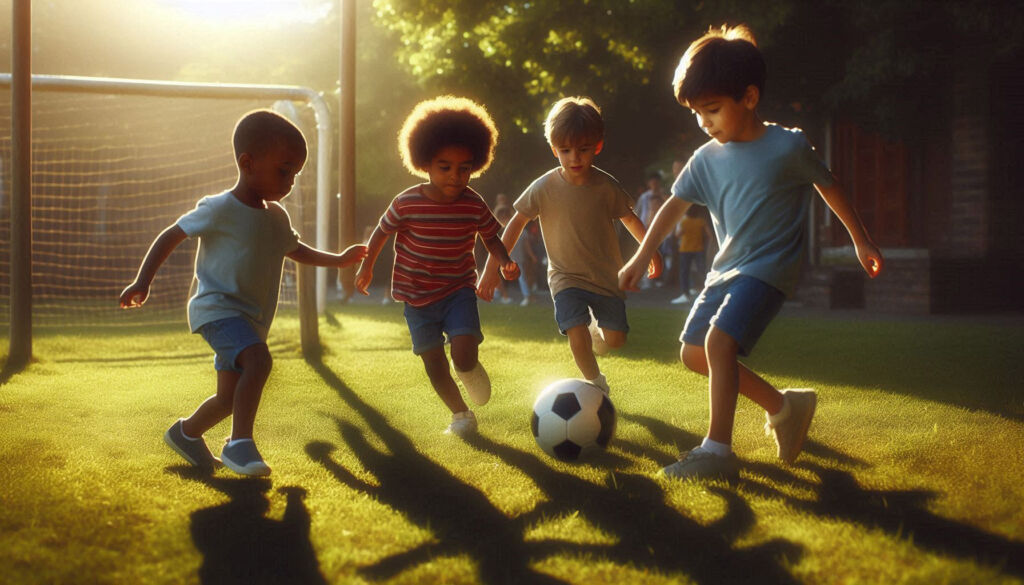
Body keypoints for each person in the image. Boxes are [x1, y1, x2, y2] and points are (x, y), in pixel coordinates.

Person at [619, 25, 883, 480]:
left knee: (719, 343)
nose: (704, 122)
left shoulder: (787, 146)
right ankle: (786, 407)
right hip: (726, 271)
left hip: (768, 271)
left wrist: (860, 239)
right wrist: (641, 255)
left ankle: (717, 450)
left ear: (749, 98)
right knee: (693, 353)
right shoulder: (705, 159)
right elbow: (672, 209)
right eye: (697, 113)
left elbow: (829, 187)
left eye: (713, 109)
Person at [119, 109, 368, 476]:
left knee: (227, 398)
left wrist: (339, 261)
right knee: (259, 361)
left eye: (295, 174)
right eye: (284, 170)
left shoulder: (276, 217)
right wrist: (143, 281)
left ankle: (186, 433)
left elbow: (296, 250)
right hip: (216, 310)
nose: (290, 181)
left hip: (250, 320)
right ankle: (239, 444)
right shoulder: (219, 208)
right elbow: (172, 233)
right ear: (247, 163)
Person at [355, 96, 519, 437]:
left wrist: (503, 260)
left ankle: (468, 366)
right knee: (433, 361)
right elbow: (381, 232)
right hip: (416, 298)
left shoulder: (474, 203)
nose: (456, 176)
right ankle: (460, 414)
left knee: (462, 353)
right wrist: (368, 266)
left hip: (458, 289)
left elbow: (491, 237)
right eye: (445, 167)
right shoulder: (406, 202)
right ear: (425, 163)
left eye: (464, 168)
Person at [479, 96, 662, 395]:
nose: (574, 157)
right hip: (565, 278)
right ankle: (595, 382)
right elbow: (514, 225)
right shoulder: (543, 187)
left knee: (615, 339)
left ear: (597, 146)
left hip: (606, 278)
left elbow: (630, 220)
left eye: (583, 149)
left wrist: (649, 251)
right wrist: (491, 269)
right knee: (574, 330)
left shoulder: (606, 186)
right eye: (565, 150)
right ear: (554, 149)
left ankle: (597, 329)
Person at [635, 172, 673, 288]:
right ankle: (647, 280)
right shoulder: (644, 197)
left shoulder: (664, 195)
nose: (654, 184)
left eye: (656, 182)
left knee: (662, 254)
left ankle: (660, 279)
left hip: (661, 229)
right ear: (649, 183)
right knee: (646, 254)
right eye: (652, 182)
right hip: (645, 228)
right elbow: (638, 211)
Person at [671, 204, 713, 304]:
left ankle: (685, 294)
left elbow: (677, 235)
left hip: (685, 249)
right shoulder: (700, 221)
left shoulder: (684, 222)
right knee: (701, 271)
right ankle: (704, 291)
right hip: (699, 249)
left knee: (684, 272)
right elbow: (709, 235)